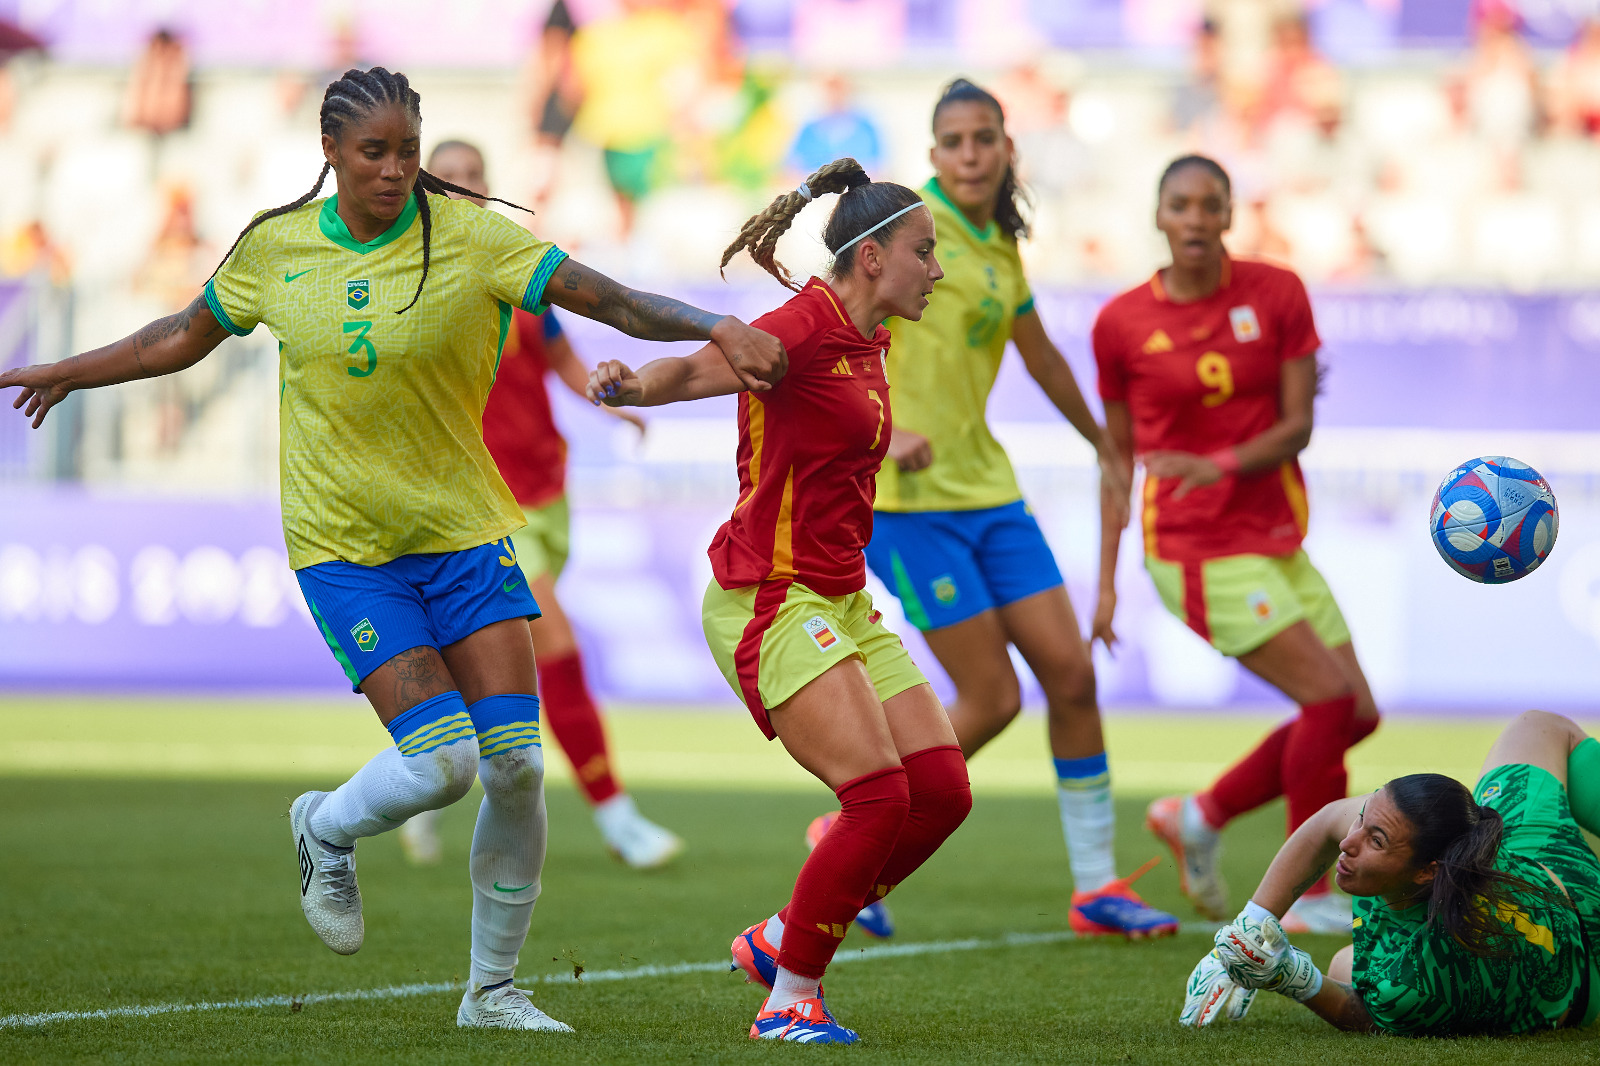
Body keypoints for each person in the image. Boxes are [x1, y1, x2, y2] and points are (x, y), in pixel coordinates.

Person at [0, 66, 784, 1032]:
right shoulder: (273, 249)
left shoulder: (473, 237)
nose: (396, 169)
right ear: (329, 153)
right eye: (375, 152)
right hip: (346, 548)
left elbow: (609, 299)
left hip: (462, 535)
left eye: (408, 151)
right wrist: (70, 374)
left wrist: (719, 322)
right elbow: (181, 335)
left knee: (516, 768)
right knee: (441, 765)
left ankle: (491, 992)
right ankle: (323, 827)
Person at [586, 157, 970, 1044]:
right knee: (876, 795)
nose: (936, 269)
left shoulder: (871, 337)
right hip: (771, 594)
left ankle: (782, 941)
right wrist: (630, 385)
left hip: (842, 600)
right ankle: (790, 999)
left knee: (942, 790)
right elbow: (694, 373)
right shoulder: (799, 324)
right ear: (871, 257)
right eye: (925, 251)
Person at [860, 78, 1176, 940]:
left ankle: (1095, 888)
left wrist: (1104, 441)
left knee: (1071, 678)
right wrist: (880, 432)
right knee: (991, 696)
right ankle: (855, 831)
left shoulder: (999, 245)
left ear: (1006, 150)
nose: (970, 153)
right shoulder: (897, 229)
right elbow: (832, 331)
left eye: (984, 138)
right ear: (933, 156)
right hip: (907, 505)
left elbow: (1038, 358)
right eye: (954, 141)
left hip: (992, 495)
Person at [1092, 154, 1380, 935]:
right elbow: (1116, 456)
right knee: (1326, 700)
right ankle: (1311, 897)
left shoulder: (1277, 291)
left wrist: (1217, 462)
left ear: (1228, 216)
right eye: (1179, 204)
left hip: (1275, 533)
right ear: (1159, 216)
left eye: (1208, 205)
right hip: (1191, 547)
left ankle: (1202, 814)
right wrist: (1107, 582)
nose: (1193, 217)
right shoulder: (1119, 322)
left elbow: (1299, 425)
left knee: (1356, 713)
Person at [396, 139, 682, 870]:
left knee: (478, 664)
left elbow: (556, 354)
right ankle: (618, 817)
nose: (462, 189)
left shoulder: (514, 262)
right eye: (447, 179)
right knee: (550, 644)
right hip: (480, 504)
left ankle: (417, 779)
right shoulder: (412, 279)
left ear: (490, 189)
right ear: (426, 189)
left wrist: (606, 396)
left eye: (474, 177)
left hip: (548, 493)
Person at [1183, 710, 1600, 1036]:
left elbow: (1364, 1015)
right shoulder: (1454, 846)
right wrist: (1251, 924)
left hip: (1588, 972)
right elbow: (1329, 820)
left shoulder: (1418, 978)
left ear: (1426, 872)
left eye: (1376, 840)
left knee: (1347, 965)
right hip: (1542, 869)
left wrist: (1292, 975)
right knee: (1538, 726)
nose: (1349, 842)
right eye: (1362, 818)